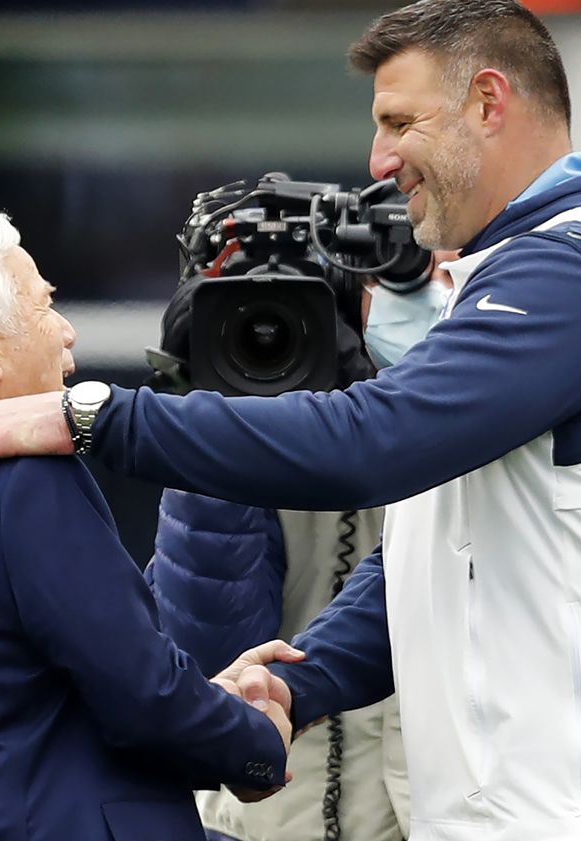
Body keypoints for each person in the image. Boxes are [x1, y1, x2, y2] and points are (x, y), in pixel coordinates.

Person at [0, 0, 581, 841]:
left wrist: (98, 417)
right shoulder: (523, 271)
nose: (379, 158)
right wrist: (297, 683)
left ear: (489, 101)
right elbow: (428, 563)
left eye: (400, 121)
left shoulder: (572, 272)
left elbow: (373, 440)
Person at [0, 212, 293, 841]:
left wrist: (204, 696)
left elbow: (10, 707)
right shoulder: (16, 469)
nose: (67, 333)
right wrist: (258, 740)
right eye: (44, 308)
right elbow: (141, 694)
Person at [145, 276, 410, 841]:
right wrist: (213, 423)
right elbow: (210, 665)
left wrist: (371, 399)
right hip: (274, 820)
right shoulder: (222, 448)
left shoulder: (481, 409)